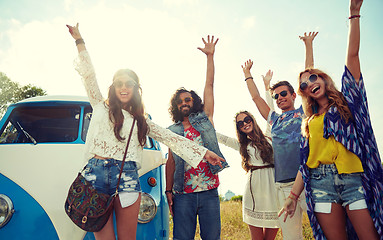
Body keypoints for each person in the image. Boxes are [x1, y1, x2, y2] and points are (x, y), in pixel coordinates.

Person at [66, 23, 225, 240]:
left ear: (135, 89)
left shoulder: (141, 121)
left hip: (128, 177)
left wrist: (205, 153)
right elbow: (89, 76)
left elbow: (172, 138)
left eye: (129, 83)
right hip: (96, 175)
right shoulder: (100, 105)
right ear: (113, 87)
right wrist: (79, 41)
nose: (123, 87)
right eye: (119, 83)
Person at [278, 0, 383, 239]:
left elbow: (353, 57)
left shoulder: (349, 104)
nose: (310, 83)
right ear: (304, 93)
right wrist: (293, 197)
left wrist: (353, 15)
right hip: (320, 183)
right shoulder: (309, 120)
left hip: (354, 180)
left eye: (314, 77)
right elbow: (305, 163)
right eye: (304, 84)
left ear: (324, 79)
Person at [240, 31, 318, 240]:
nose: (280, 97)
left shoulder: (304, 112)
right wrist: (248, 74)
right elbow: (256, 97)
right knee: (292, 237)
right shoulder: (274, 119)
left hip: (310, 181)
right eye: (276, 96)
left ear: (294, 95)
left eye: (284, 94)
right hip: (283, 187)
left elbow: (308, 78)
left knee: (323, 232)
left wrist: (308, 45)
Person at [165, 35, 228, 240]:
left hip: (209, 190)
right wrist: (168, 191)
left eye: (187, 99)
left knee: (212, 237)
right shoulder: (172, 130)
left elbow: (209, 85)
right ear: (176, 106)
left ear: (194, 101)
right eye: (179, 101)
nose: (184, 102)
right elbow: (171, 162)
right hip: (183, 194)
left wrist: (210, 57)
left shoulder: (205, 118)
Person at [216, 109, 279, 240]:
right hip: (254, 190)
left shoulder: (269, 136)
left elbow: (270, 113)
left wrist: (268, 89)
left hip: (273, 188)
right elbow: (221, 138)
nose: (245, 123)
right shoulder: (241, 145)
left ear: (252, 120)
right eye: (240, 123)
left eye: (247, 120)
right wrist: (203, 125)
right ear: (239, 128)